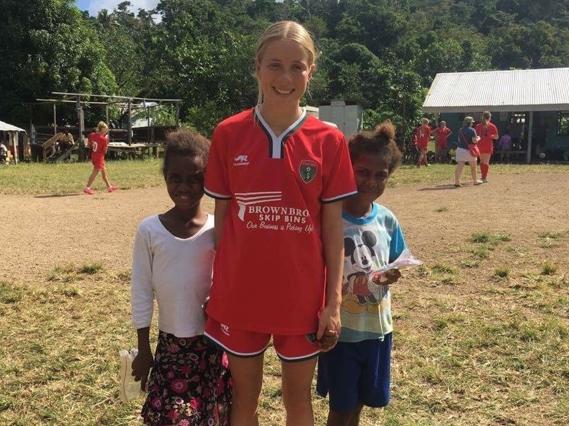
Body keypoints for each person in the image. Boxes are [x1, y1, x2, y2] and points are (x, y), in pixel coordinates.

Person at [203, 21, 357, 426]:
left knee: (298, 404)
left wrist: (332, 304)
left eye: (297, 67)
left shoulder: (329, 140)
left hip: (301, 300)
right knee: (243, 403)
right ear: (257, 67)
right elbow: (220, 224)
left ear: (312, 71)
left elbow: (332, 230)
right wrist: (217, 289)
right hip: (241, 296)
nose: (285, 78)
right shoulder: (228, 134)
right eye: (275, 65)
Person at [130, 129, 232, 425]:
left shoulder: (218, 229)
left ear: (208, 179)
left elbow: (230, 281)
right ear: (165, 178)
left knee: (214, 416)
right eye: (176, 178)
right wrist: (143, 348)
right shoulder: (150, 231)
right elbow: (141, 291)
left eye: (195, 178)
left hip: (212, 347)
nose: (184, 186)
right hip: (170, 350)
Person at [317, 121, 407, 426]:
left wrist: (393, 274)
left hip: (377, 329)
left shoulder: (387, 220)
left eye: (381, 175)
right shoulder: (329, 218)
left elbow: (397, 261)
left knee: (360, 405)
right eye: (363, 172)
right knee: (341, 407)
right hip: (341, 333)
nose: (371, 181)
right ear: (346, 168)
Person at [83, 121, 116, 194]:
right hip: (99, 157)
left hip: (94, 155)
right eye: (105, 130)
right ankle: (87, 188)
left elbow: (89, 145)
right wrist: (106, 142)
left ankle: (109, 187)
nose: (106, 132)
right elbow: (105, 152)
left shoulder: (92, 135)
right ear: (102, 129)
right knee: (95, 172)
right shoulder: (104, 139)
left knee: (104, 172)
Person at [454, 116, 483, 187]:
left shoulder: (460, 130)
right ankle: (475, 181)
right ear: (470, 123)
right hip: (469, 150)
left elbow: (459, 139)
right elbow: (474, 141)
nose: (472, 124)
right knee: (473, 167)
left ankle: (457, 182)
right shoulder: (472, 130)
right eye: (472, 122)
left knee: (460, 166)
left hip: (460, 149)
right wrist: (479, 138)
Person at [475, 111, 499, 183]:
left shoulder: (478, 126)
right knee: (485, 162)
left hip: (479, 146)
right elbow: (496, 137)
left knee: (482, 162)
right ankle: (484, 177)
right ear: (489, 118)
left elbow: (476, 137)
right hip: (488, 146)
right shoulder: (492, 126)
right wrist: (491, 136)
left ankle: (483, 176)